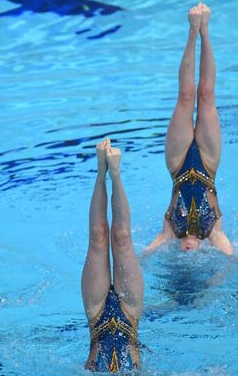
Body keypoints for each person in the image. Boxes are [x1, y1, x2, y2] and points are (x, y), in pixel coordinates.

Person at [146, 3, 233, 255]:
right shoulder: (213, 233)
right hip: (208, 164)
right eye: (192, 252)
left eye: (184, 252)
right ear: (202, 250)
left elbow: (144, 253)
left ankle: (191, 32)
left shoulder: (170, 232)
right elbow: (233, 259)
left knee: (185, 97)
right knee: (206, 95)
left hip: (178, 164)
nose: (187, 250)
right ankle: (205, 31)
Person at [81, 139, 144, 372]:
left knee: (97, 237)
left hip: (97, 316)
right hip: (129, 312)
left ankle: (101, 172)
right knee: (122, 239)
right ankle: (115, 175)